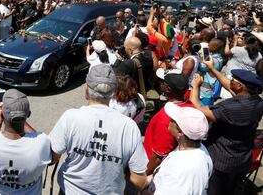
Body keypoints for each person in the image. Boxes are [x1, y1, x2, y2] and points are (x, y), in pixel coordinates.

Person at [49, 64, 148, 194]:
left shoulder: (71, 117)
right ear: (113, 93)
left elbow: (52, 157)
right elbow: (139, 180)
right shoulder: (129, 127)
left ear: (86, 91)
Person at [190, 67, 263, 195]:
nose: (229, 81)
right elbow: (229, 86)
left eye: (232, 80)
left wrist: (195, 86)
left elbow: (198, 107)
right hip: (242, 159)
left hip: (222, 163)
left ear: (240, 86)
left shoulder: (230, 108)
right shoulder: (257, 102)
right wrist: (212, 68)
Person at [0, 89, 52, 194]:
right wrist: (20, 118)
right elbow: (36, 136)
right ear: (28, 114)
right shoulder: (41, 143)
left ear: (2, 113)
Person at [147, 103, 212, 195]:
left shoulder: (179, 170)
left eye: (173, 120)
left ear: (180, 133)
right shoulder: (200, 149)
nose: (169, 120)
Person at [143, 68, 193, 175]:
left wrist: (143, 176)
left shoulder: (166, 118)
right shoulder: (190, 105)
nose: (160, 84)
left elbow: (158, 156)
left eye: (163, 82)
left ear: (168, 89)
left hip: (155, 167)